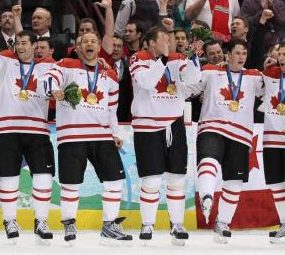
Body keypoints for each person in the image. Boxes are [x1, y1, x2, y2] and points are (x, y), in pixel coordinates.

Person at [0, 14, 57, 244]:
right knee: (9, 177)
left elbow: (60, 81)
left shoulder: (49, 67)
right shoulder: (5, 62)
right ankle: (9, 221)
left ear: (35, 46)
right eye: (17, 43)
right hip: (5, 129)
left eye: (24, 43)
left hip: (37, 131)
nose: (20, 46)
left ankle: (41, 221)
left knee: (44, 177)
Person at [46, 31, 131, 243]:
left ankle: (109, 225)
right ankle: (69, 224)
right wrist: (54, 89)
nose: (89, 44)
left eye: (93, 41)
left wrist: (115, 132)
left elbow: (112, 108)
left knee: (114, 180)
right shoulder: (66, 65)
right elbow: (49, 78)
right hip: (72, 135)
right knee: (71, 183)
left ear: (99, 46)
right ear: (78, 47)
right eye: (85, 42)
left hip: (102, 135)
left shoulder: (109, 74)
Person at [129, 27, 201, 244]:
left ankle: (177, 224)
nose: (169, 43)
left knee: (177, 178)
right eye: (164, 40)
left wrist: (193, 57)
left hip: (174, 124)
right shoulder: (138, 58)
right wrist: (164, 60)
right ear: (152, 42)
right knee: (151, 180)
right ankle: (147, 224)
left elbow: (193, 80)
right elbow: (146, 82)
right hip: (147, 127)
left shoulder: (177, 58)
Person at [190, 40, 264, 242]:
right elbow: (188, 87)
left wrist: (273, 69)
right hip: (212, 127)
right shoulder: (210, 71)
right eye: (237, 53)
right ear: (228, 55)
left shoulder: (254, 76)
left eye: (244, 53)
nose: (241, 57)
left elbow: (272, 91)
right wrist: (190, 60)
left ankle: (222, 222)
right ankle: (207, 195)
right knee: (209, 160)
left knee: (234, 181)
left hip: (241, 134)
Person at [262, 44, 285, 242]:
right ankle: (284, 222)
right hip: (271, 140)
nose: (282, 57)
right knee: (276, 184)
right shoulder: (270, 74)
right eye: (281, 54)